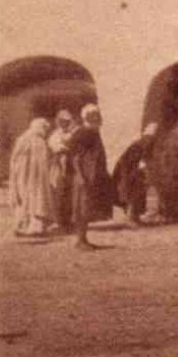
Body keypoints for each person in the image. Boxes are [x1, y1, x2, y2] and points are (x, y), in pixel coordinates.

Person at [65, 104, 111, 251]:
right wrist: (81, 176)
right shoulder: (84, 133)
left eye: (98, 115)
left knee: (87, 208)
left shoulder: (92, 132)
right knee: (81, 208)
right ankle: (80, 241)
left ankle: (84, 239)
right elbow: (76, 158)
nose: (98, 118)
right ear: (88, 117)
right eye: (94, 116)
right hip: (83, 176)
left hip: (90, 176)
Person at [8, 117, 53, 237]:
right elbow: (42, 162)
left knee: (27, 200)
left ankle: (23, 226)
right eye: (44, 127)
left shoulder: (24, 138)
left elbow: (14, 158)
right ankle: (31, 228)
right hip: (32, 177)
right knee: (35, 200)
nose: (46, 130)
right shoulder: (36, 140)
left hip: (26, 176)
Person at [110, 122, 158, 227]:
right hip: (130, 169)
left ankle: (135, 217)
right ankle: (130, 217)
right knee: (133, 191)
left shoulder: (143, 141)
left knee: (138, 191)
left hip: (131, 168)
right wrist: (146, 172)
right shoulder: (146, 142)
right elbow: (142, 160)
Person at [46, 109, 77, 232]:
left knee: (69, 194)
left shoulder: (71, 133)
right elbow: (56, 147)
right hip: (58, 166)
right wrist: (66, 147)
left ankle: (67, 221)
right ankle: (59, 222)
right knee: (59, 193)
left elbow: (74, 146)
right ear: (58, 122)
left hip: (70, 166)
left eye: (67, 122)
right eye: (62, 121)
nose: (65, 124)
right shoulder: (55, 135)